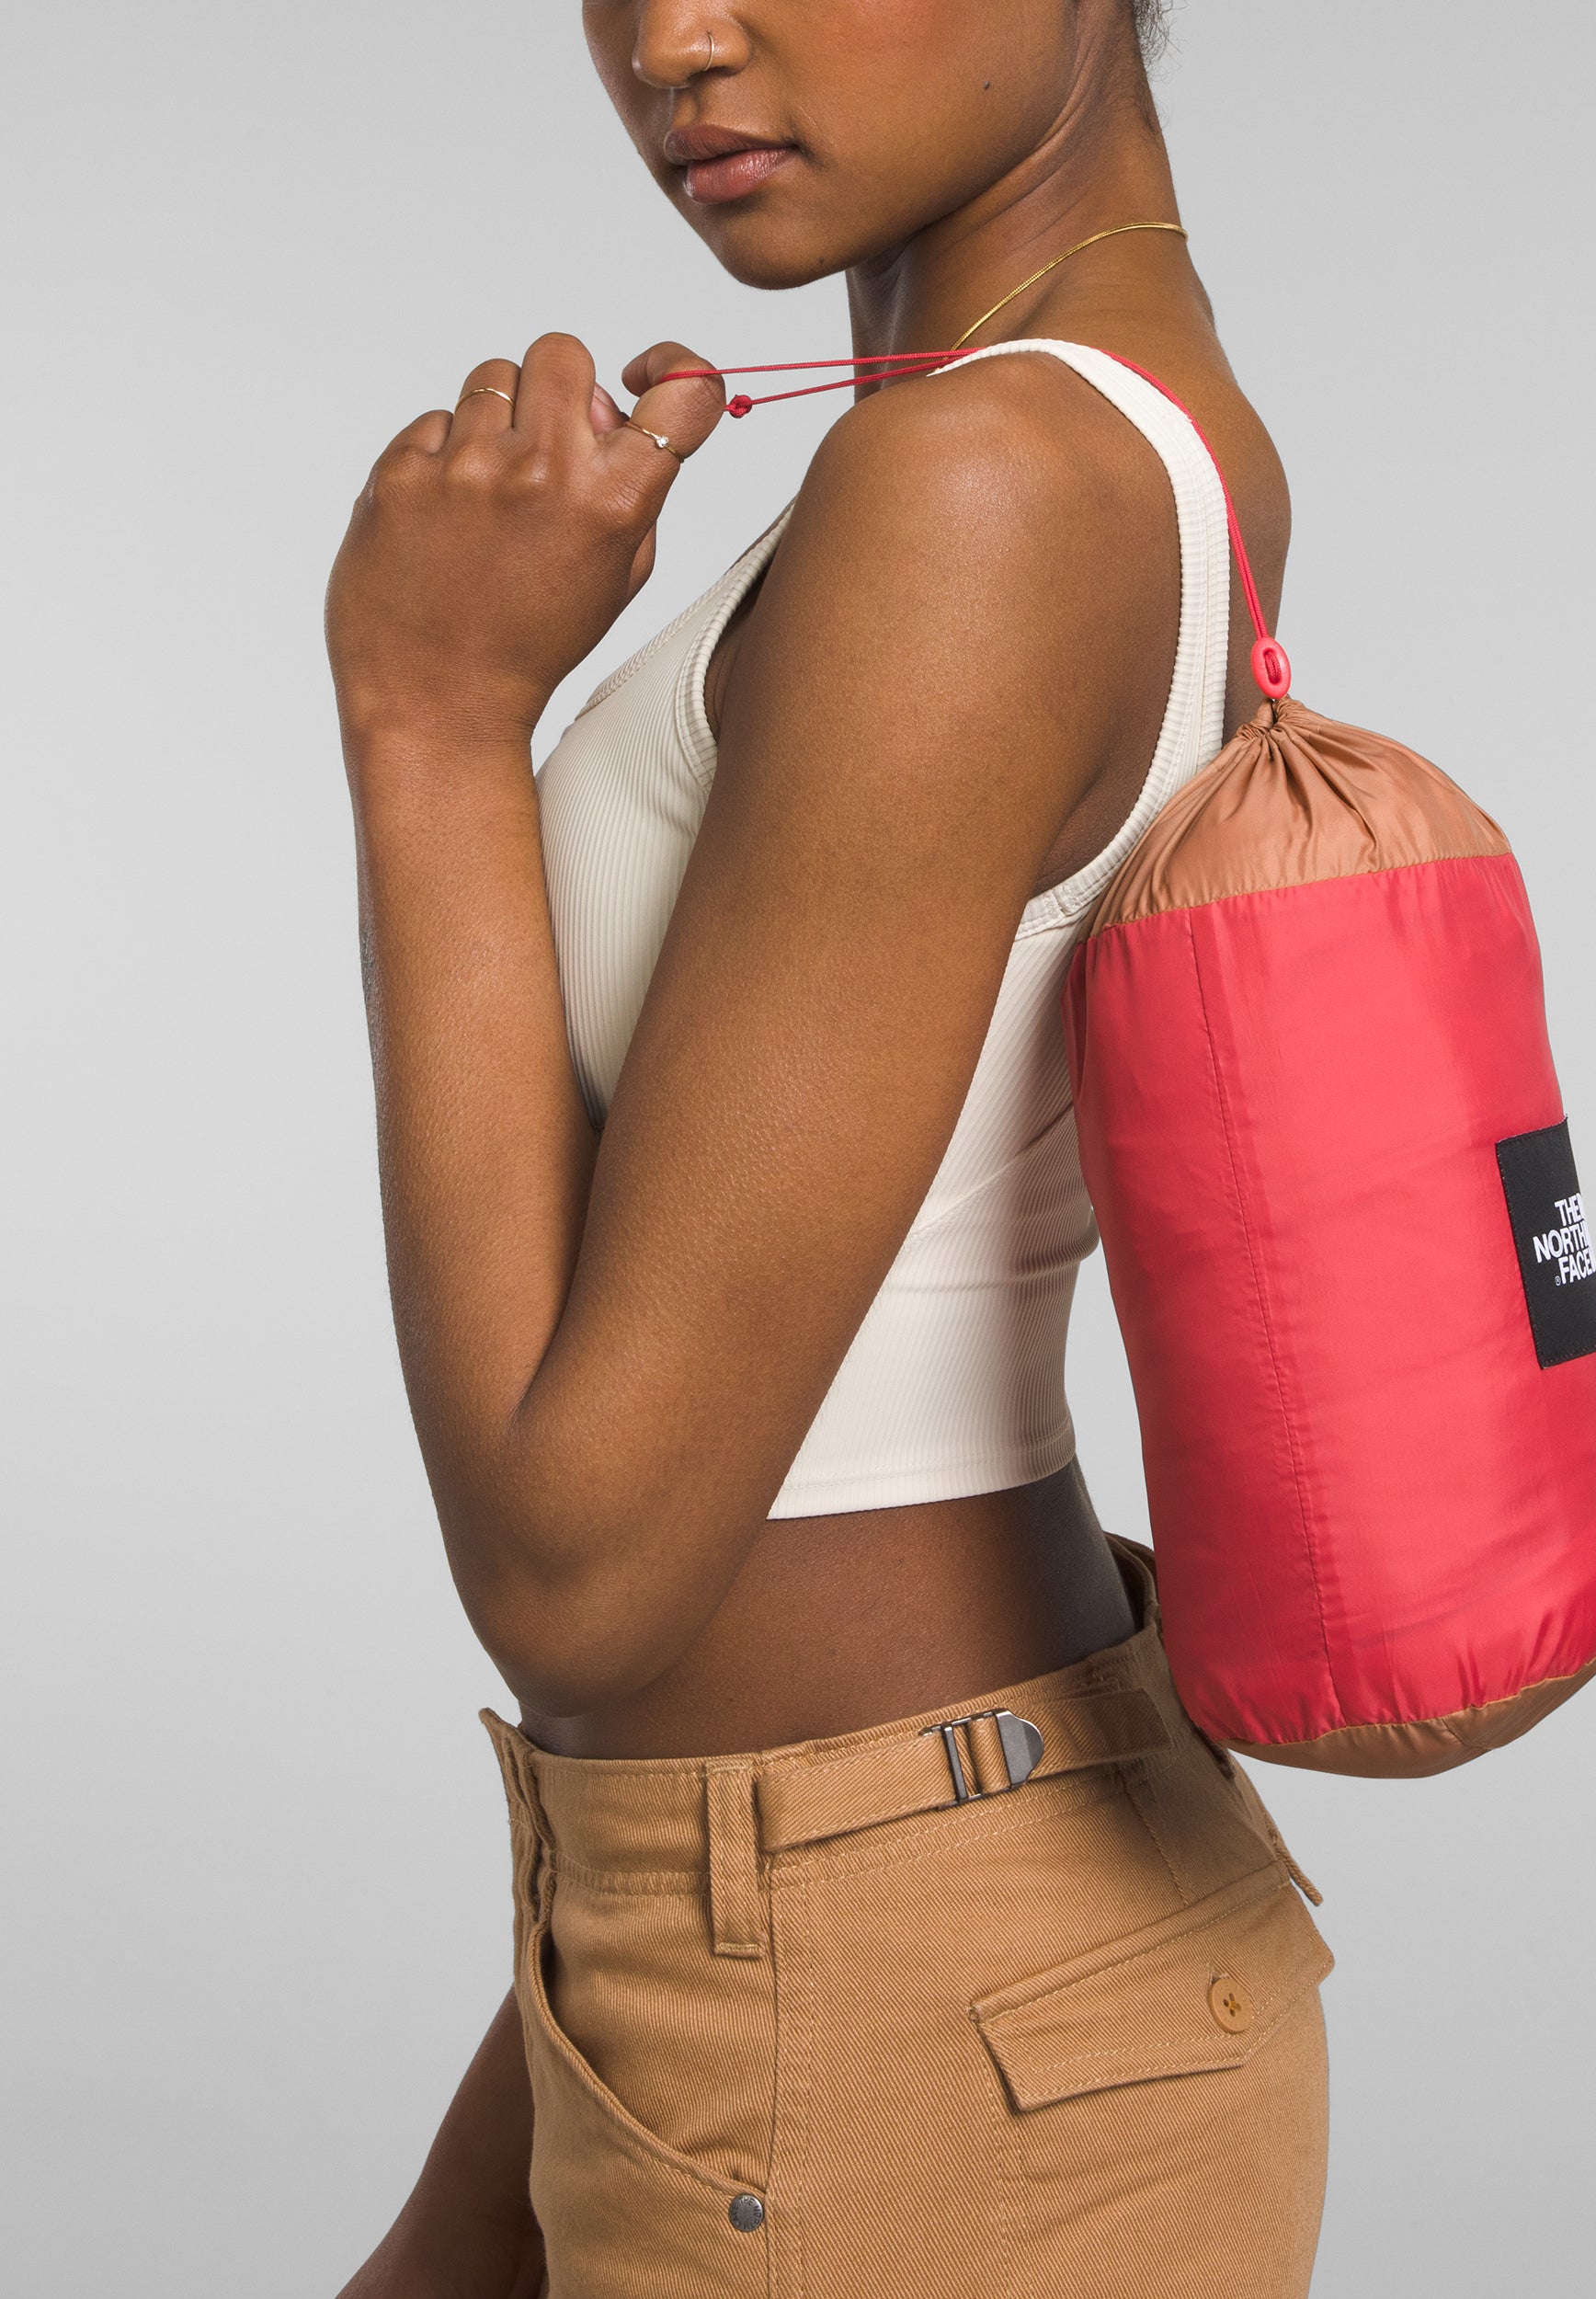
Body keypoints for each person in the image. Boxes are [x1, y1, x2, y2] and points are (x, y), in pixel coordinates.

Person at [325, 4, 1330, 2293]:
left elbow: (580, 1568)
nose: (675, 37)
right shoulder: (1103, 428)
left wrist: (431, 715)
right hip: (809, 1900)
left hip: (894, 1958)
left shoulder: (988, 487)